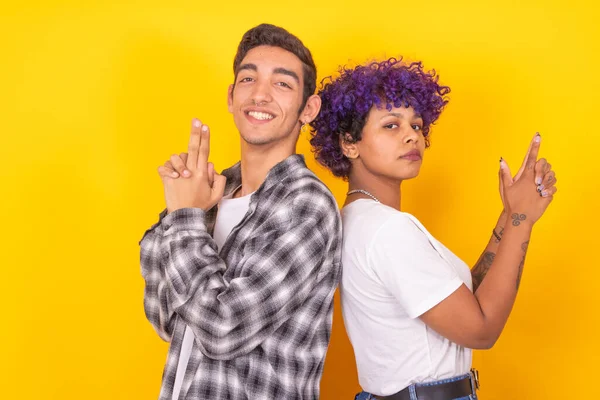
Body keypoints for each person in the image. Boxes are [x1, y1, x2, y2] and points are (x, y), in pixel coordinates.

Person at [309, 58, 557, 400]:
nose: (412, 135)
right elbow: (480, 330)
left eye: (417, 125)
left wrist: (510, 214)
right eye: (391, 126)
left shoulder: (359, 221)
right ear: (349, 143)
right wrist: (522, 221)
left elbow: (464, 305)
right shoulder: (386, 230)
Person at [139, 23, 342, 400]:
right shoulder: (211, 192)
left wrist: (184, 218)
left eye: (282, 84)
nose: (261, 94)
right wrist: (178, 208)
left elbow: (222, 328)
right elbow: (165, 316)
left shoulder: (305, 205)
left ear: (308, 108)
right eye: (248, 79)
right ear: (232, 96)